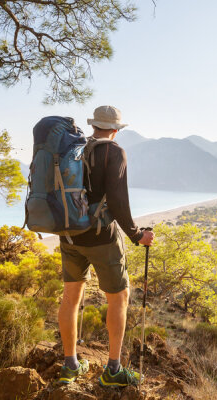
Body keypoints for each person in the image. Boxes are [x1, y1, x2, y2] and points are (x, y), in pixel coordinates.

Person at [57, 105, 154, 386]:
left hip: (69, 235)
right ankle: (113, 370)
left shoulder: (72, 151)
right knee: (118, 297)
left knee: (71, 297)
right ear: (115, 129)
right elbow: (119, 202)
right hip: (102, 237)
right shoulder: (114, 152)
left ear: (94, 126)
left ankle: (70, 365)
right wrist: (137, 235)